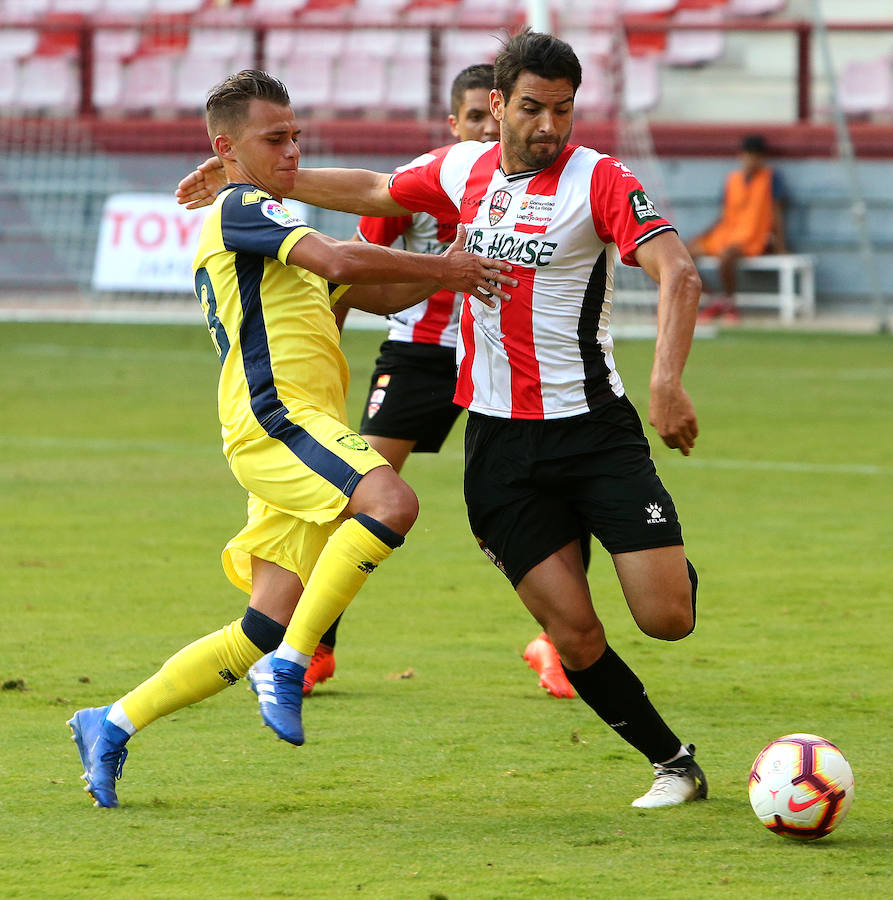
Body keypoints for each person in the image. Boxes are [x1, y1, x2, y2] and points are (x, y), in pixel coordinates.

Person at [176, 30, 708, 809]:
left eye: (562, 110)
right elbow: (375, 191)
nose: (548, 126)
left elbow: (679, 272)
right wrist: (248, 174)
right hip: (496, 443)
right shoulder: (461, 167)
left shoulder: (600, 180)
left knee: (666, 619)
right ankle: (672, 764)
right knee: (572, 633)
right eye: (531, 108)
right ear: (496, 106)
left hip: (593, 429)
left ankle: (656, 554)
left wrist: (667, 383)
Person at [67, 70, 514, 808]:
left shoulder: (279, 232)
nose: (293, 151)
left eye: (297, 136)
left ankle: (110, 723)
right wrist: (444, 264)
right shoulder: (239, 207)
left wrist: (457, 264)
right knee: (390, 502)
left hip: (303, 428)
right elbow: (343, 260)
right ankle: (293, 664)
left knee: (258, 624)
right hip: (275, 420)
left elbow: (377, 290)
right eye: (275, 139)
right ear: (226, 149)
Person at [246, 63, 576, 702]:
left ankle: (557, 644)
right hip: (420, 352)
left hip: (509, 360)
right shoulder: (430, 182)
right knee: (354, 495)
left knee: (555, 492)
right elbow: (352, 273)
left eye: (493, 114)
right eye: (474, 117)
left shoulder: (554, 187)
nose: (487, 126)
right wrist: (323, 368)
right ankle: (317, 644)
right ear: (455, 126)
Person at [687, 134, 788, 322]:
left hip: (752, 237)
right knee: (683, 253)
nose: (750, 160)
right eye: (747, 155)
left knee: (726, 257)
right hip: (726, 233)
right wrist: (702, 235)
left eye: (755, 156)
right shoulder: (732, 179)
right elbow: (723, 215)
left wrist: (781, 246)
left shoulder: (771, 178)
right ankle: (713, 299)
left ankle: (730, 303)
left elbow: (777, 214)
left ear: (762, 158)